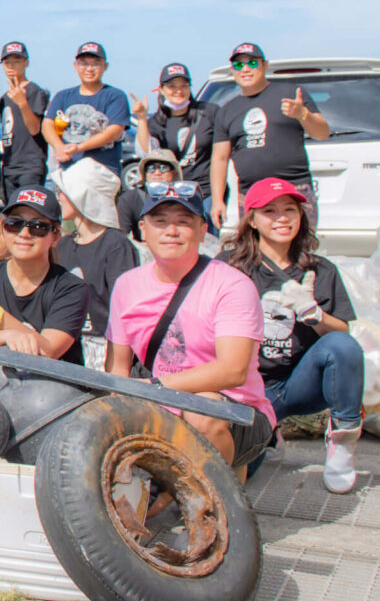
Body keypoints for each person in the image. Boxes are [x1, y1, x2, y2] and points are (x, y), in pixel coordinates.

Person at [106, 181, 275, 476]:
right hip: (159, 406)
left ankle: (214, 508)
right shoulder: (126, 284)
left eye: (183, 222)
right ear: (142, 229)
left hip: (234, 411)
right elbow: (117, 369)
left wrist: (153, 388)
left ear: (202, 229)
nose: (171, 231)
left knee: (203, 410)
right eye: (160, 222)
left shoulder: (232, 285)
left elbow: (232, 371)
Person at [225, 178, 365, 492]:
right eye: (270, 211)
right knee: (239, 474)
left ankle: (343, 439)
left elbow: (343, 334)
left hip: (299, 382)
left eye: (290, 210)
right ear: (252, 220)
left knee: (342, 346)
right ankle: (268, 434)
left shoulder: (320, 269)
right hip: (247, 388)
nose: (282, 218)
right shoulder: (230, 267)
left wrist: (313, 313)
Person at [0, 186, 89, 364]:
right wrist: (9, 335)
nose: (24, 233)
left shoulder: (72, 288)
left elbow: (49, 350)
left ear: (55, 237)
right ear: (2, 228)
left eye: (38, 227)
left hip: (55, 386)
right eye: (15, 224)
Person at [212, 42, 329, 227]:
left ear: (265, 66)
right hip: (250, 194)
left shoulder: (291, 93)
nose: (245, 69)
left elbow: (322, 133)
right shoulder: (226, 111)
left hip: (293, 190)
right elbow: (219, 158)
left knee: (299, 253)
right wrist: (217, 200)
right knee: (255, 253)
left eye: (252, 63)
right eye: (238, 65)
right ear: (232, 70)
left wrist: (303, 114)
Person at [54, 177, 141, 369]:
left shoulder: (116, 245)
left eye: (63, 192)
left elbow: (124, 311)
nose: (58, 198)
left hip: (107, 350)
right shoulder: (63, 244)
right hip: (68, 347)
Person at [43, 42, 130, 227]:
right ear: (76, 66)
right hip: (68, 174)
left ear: (105, 66)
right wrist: (59, 147)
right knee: (68, 230)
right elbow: (47, 125)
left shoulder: (115, 96)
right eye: (84, 63)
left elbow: (114, 131)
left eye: (95, 63)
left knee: (99, 229)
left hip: (101, 172)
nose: (89, 69)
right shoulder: (63, 96)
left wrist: (78, 148)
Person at [147, 62, 217, 214]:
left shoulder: (208, 112)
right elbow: (146, 152)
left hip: (207, 193)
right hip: (174, 194)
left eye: (184, 86)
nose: (179, 91)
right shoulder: (156, 122)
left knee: (209, 237)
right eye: (172, 86)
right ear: (162, 90)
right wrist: (140, 118)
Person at [0, 42, 51, 200]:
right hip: (8, 166)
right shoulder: (5, 97)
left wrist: (23, 103)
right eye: (7, 62)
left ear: (26, 63)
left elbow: (35, 128)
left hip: (30, 166)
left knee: (29, 211)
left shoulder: (35, 91)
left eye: (17, 61)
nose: (11, 66)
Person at [117, 149, 182, 238]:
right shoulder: (129, 199)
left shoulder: (183, 198)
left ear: (174, 173)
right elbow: (121, 235)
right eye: (151, 168)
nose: (157, 173)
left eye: (164, 168)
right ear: (145, 173)